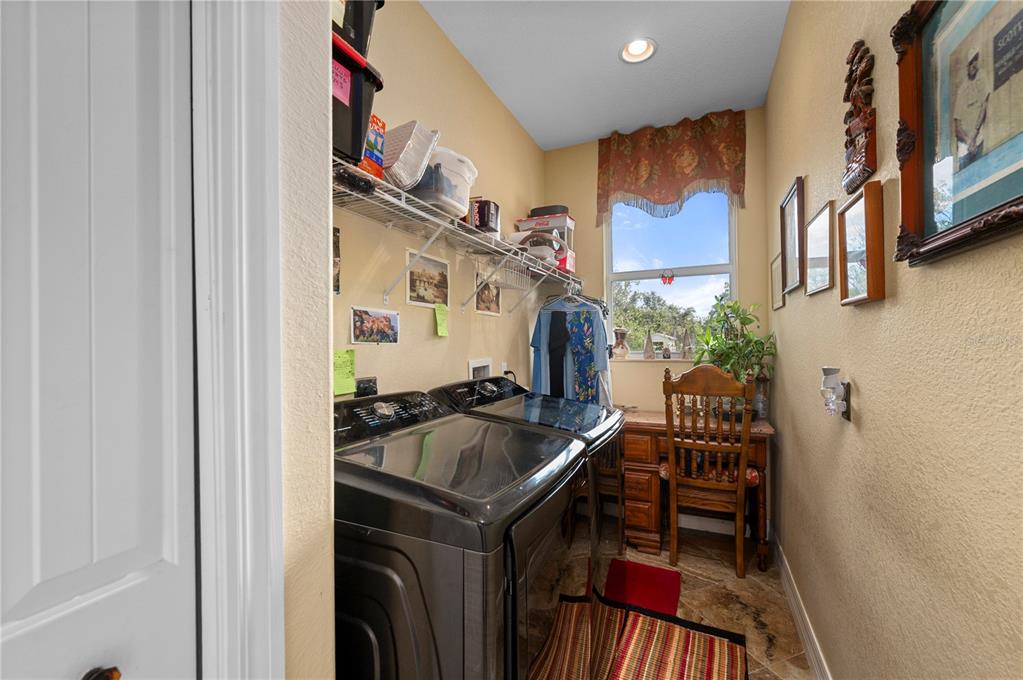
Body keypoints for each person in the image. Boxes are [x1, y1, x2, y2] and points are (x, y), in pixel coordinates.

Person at [953, 48, 991, 170]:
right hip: (965, 148)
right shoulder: (962, 90)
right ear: (967, 66)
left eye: (975, 60)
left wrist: (974, 137)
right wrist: (969, 141)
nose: (974, 64)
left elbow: (983, 107)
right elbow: (957, 127)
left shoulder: (982, 77)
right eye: (971, 62)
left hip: (978, 142)